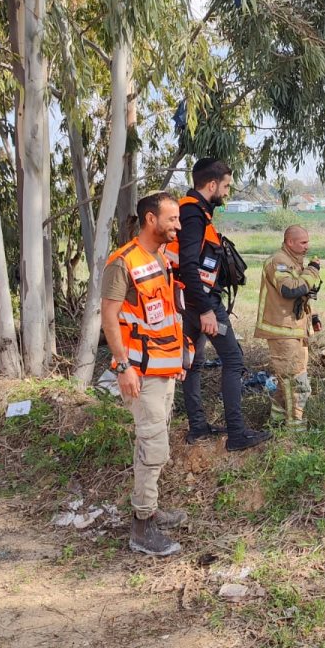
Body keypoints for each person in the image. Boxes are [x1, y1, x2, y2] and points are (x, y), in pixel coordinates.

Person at [101, 192, 190, 557]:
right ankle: (142, 527)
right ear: (151, 220)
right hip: (140, 372)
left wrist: (180, 359)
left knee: (154, 443)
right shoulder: (123, 263)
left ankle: (150, 508)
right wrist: (123, 367)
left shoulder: (163, 259)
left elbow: (168, 313)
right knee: (153, 447)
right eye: (172, 219)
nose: (178, 226)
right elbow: (109, 317)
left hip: (163, 369)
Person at [167, 158, 270, 452]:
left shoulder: (192, 211)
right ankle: (237, 433)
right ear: (211, 185)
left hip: (188, 298)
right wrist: (206, 310)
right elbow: (188, 264)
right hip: (200, 299)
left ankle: (198, 427)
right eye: (225, 186)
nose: (226, 192)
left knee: (194, 362)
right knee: (234, 359)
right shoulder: (193, 214)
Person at [254, 225, 321, 429]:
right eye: (303, 242)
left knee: (288, 381)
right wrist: (312, 271)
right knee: (296, 382)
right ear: (289, 242)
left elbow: (303, 293)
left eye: (307, 242)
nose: (307, 247)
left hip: (296, 329)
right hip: (282, 330)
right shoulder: (278, 262)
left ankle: (276, 422)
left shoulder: (293, 262)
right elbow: (290, 289)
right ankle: (295, 430)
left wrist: (313, 317)